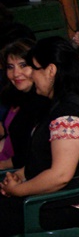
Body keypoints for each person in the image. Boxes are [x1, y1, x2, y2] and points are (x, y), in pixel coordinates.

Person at [0, 37, 79, 237]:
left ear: (50, 71)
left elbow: (60, 176)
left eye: (34, 68)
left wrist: (19, 190)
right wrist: (21, 175)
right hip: (52, 200)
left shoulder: (68, 114)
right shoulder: (60, 105)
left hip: (65, 206)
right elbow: (46, 158)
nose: (31, 75)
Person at [1, 38, 45, 171]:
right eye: (10, 67)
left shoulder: (41, 102)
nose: (16, 74)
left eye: (23, 65)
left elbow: (26, 157)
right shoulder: (17, 97)